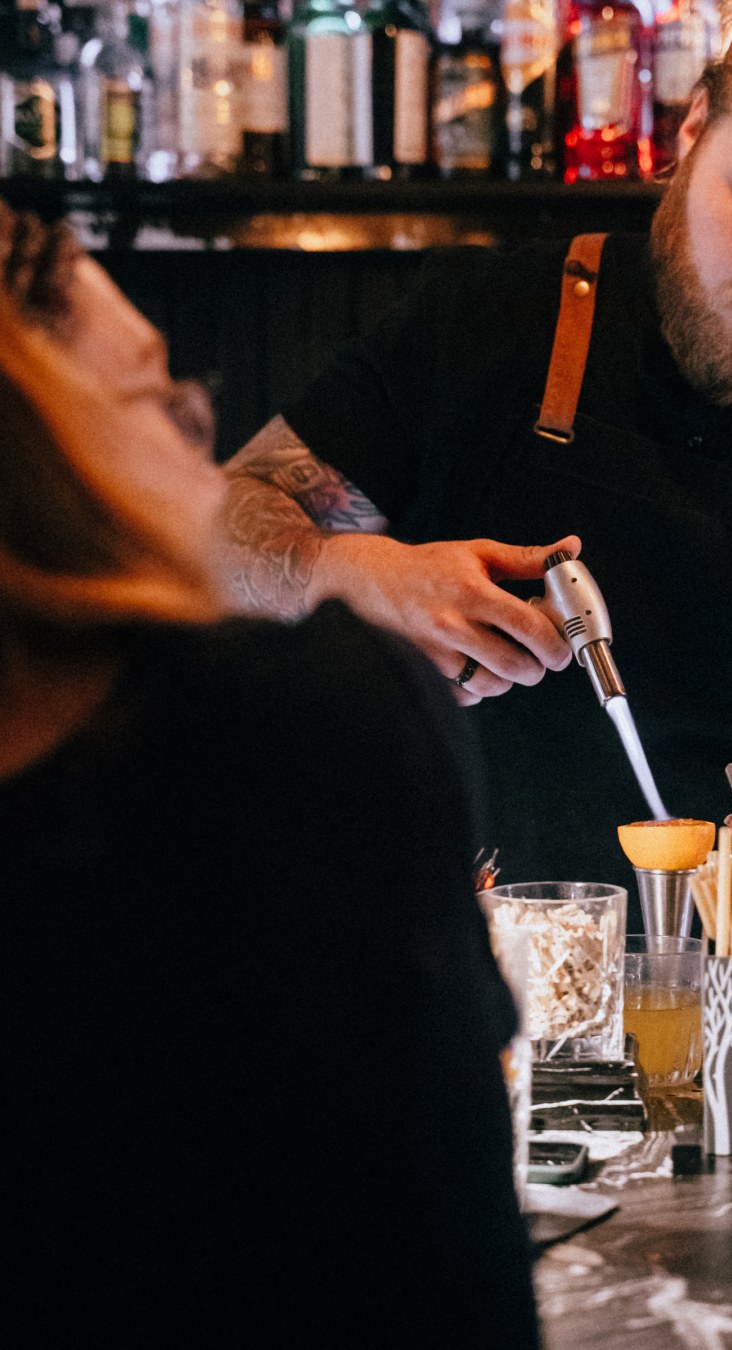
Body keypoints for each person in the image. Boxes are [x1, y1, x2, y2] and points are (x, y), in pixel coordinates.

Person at [220, 0, 732, 916]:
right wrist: (356, 574)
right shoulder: (482, 327)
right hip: (443, 956)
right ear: (693, 129)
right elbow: (209, 527)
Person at [0, 203, 540, 1349]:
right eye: (160, 401)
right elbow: (448, 1281)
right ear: (40, 461)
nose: (206, 462)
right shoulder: (316, 725)